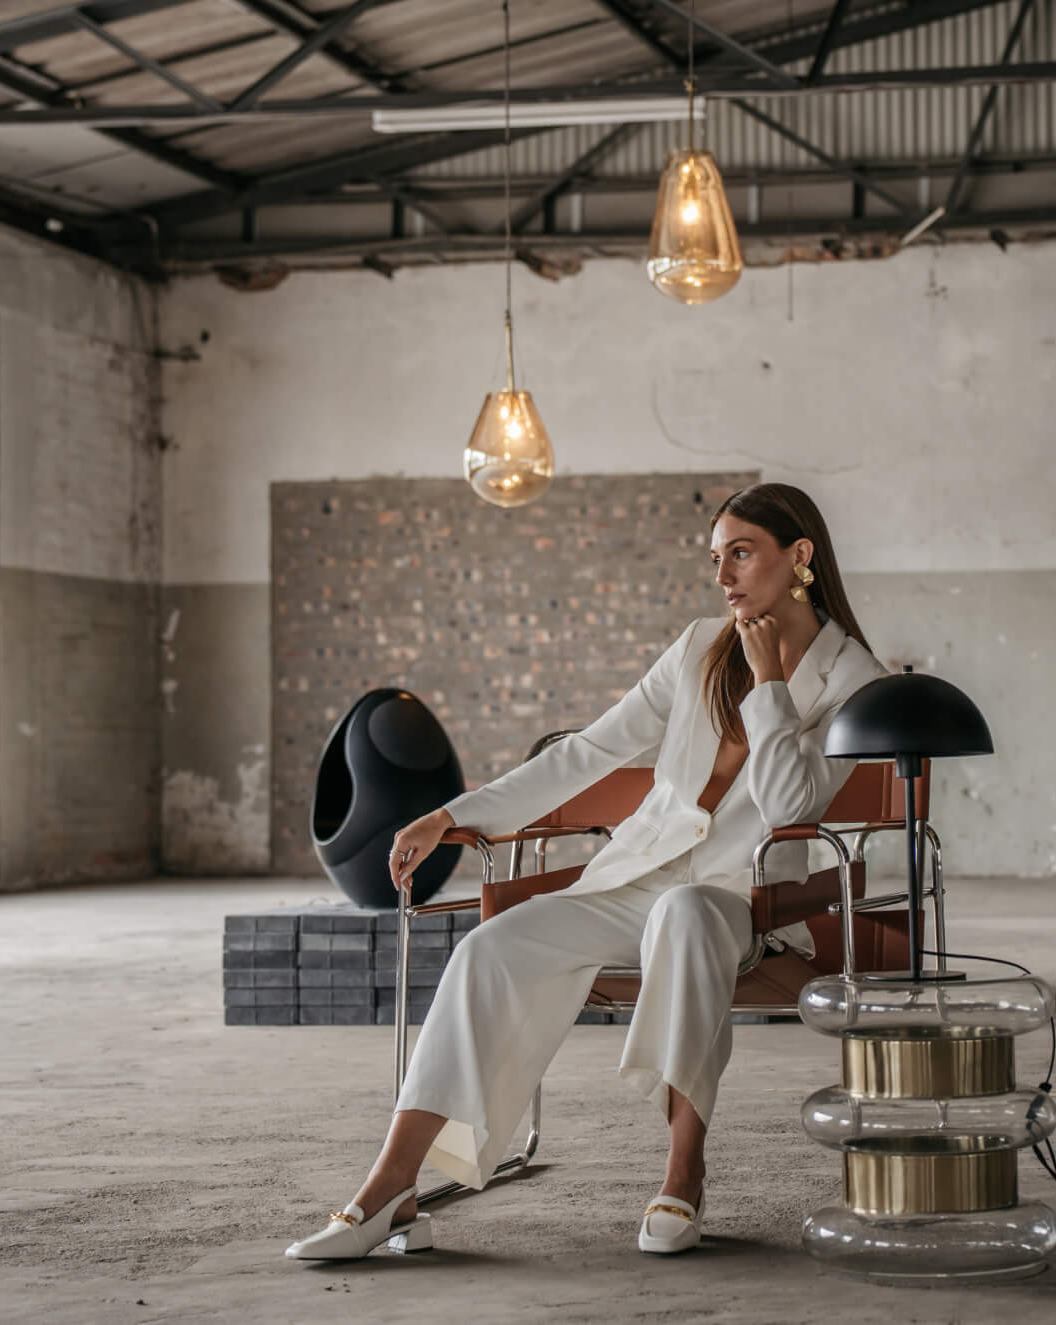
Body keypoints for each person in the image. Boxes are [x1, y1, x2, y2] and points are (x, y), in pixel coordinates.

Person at [286, 482, 886, 1262]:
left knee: (686, 913)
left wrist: (770, 680)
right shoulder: (701, 644)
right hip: (633, 879)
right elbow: (590, 751)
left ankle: (683, 1170)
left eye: (741, 552)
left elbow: (789, 803)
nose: (724, 576)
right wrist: (454, 813)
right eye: (716, 558)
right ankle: (390, 1187)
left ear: (799, 555)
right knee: (488, 947)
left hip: (744, 900)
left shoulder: (854, 677)